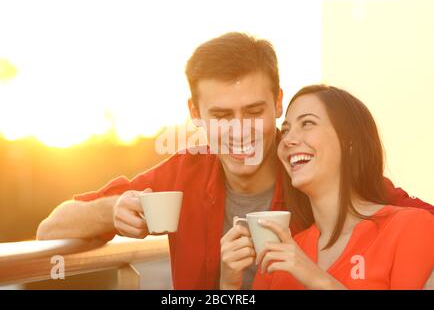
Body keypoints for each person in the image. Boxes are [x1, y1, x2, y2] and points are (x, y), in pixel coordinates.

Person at [36, 33, 434, 290]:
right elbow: (49, 228)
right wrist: (113, 210)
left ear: (278, 102)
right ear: (196, 112)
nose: (240, 130)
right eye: (223, 116)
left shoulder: (311, 164)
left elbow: (408, 219)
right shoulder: (183, 172)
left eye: (254, 111)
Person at [221, 85, 434, 290]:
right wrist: (229, 285)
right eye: (285, 130)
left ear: (349, 141)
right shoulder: (279, 254)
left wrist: (317, 279)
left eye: (307, 124)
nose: (287, 140)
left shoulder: (411, 227)